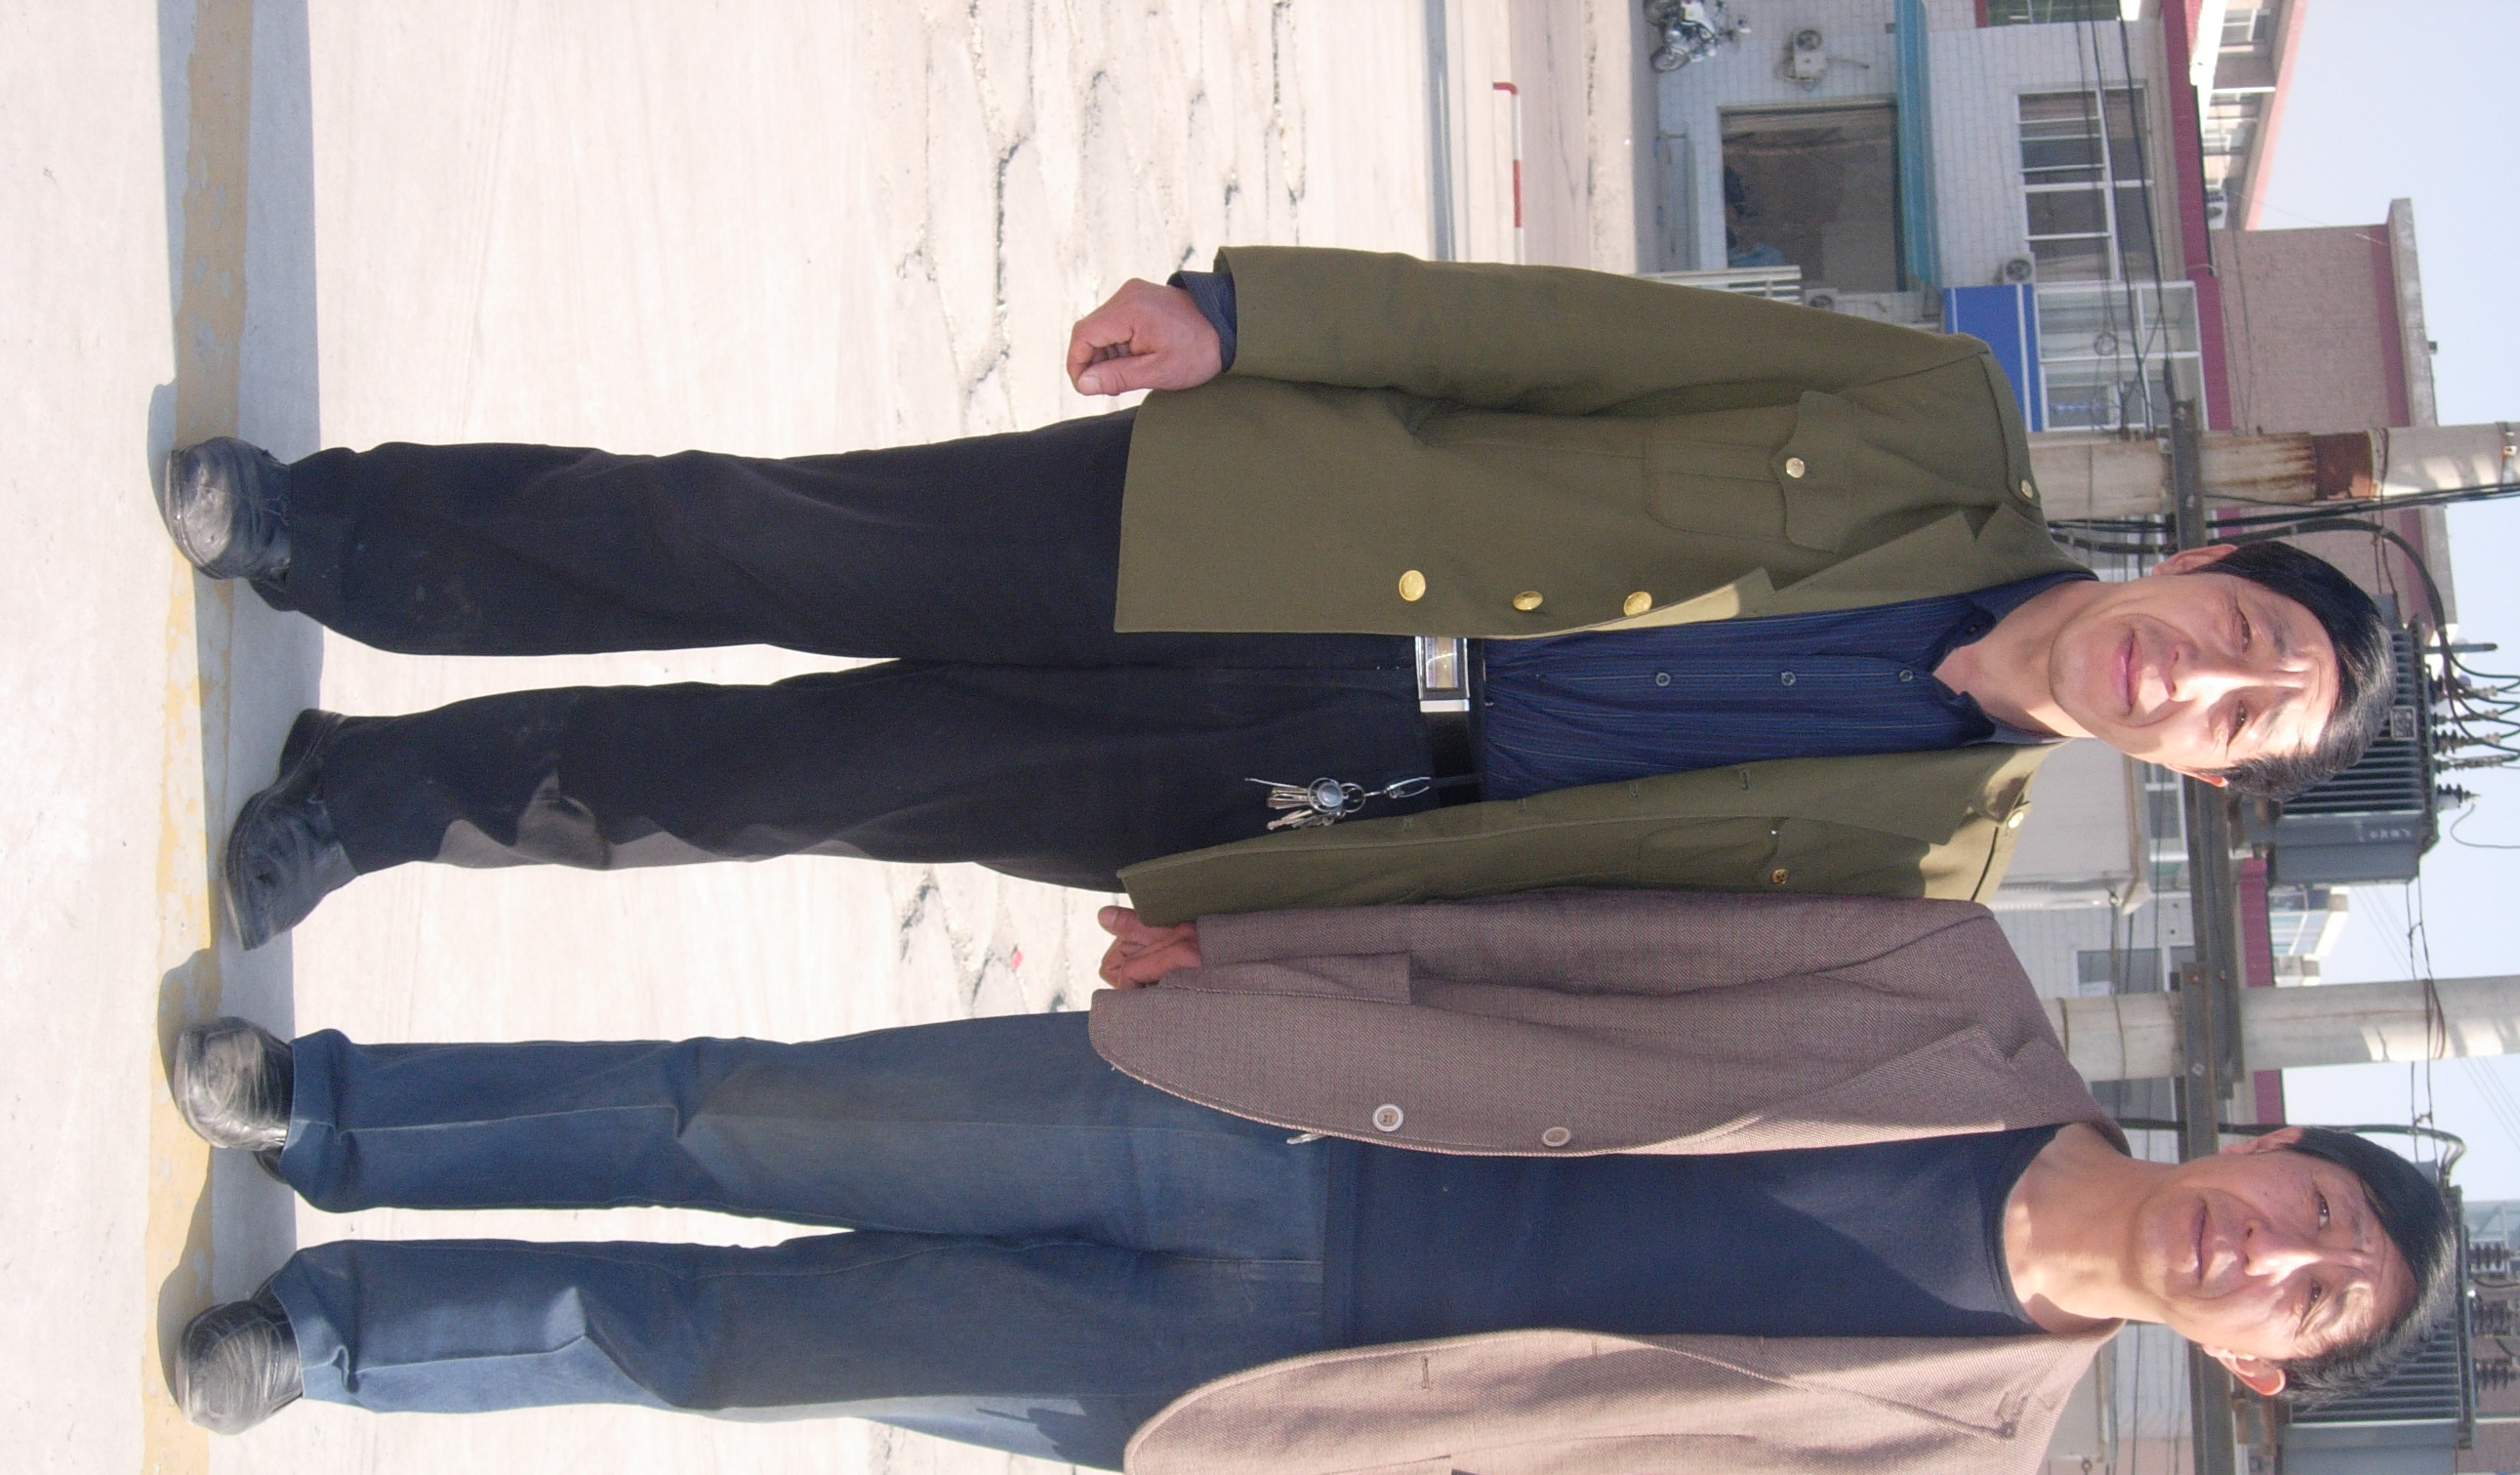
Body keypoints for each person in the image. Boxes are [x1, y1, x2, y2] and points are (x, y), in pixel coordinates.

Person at [166, 890, 2453, 1475]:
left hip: (1254, 1369)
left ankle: (332, 1334)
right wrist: (1268, 948)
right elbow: (1583, 939)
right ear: (2267, 1140)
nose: (2282, 1253)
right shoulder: (1952, 987)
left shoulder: (1955, 1464)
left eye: (2316, 1298)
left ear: (2259, 1371)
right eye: (2320, 1209)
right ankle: (336, 1111)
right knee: (745, 1111)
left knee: (744, 1344)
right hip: (1257, 1101)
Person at [158, 248, 2395, 948]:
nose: (2201, 679)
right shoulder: (1927, 416)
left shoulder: (1924, 875)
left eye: (2244, 718)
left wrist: (1252, 952)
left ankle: (369, 802)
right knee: (749, 536)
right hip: (1255, 529)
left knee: (788, 786)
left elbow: (1571, 940)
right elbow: (1561, 338)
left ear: (2205, 779)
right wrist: (1252, 317)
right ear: (2202, 562)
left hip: (1311, 790)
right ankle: (327, 534)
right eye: (2247, 635)